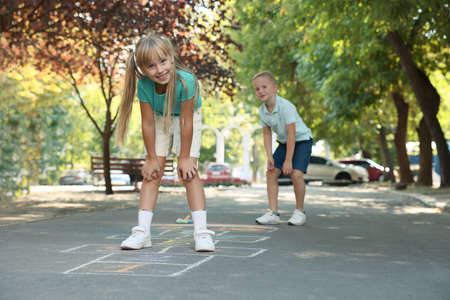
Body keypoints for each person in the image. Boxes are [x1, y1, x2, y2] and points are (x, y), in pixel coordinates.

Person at [117, 34, 215, 251]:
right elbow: (148, 123)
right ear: (142, 69)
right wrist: (152, 158)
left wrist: (185, 157)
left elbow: (187, 122)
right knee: (152, 173)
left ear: (171, 57)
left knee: (188, 172)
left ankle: (202, 233)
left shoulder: (187, 80)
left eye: (163, 61)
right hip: (160, 118)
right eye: (151, 66)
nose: (159, 70)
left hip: (186, 118)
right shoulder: (144, 85)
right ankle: (142, 232)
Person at [252, 71, 313, 226]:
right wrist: (270, 156)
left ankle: (300, 212)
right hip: (284, 142)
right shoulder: (262, 110)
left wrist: (288, 161)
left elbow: (292, 134)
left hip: (301, 140)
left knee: (296, 174)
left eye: (264, 87)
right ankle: (273, 212)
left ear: (274, 88)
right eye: (257, 89)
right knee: (271, 172)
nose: (261, 91)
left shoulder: (286, 106)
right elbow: (266, 134)